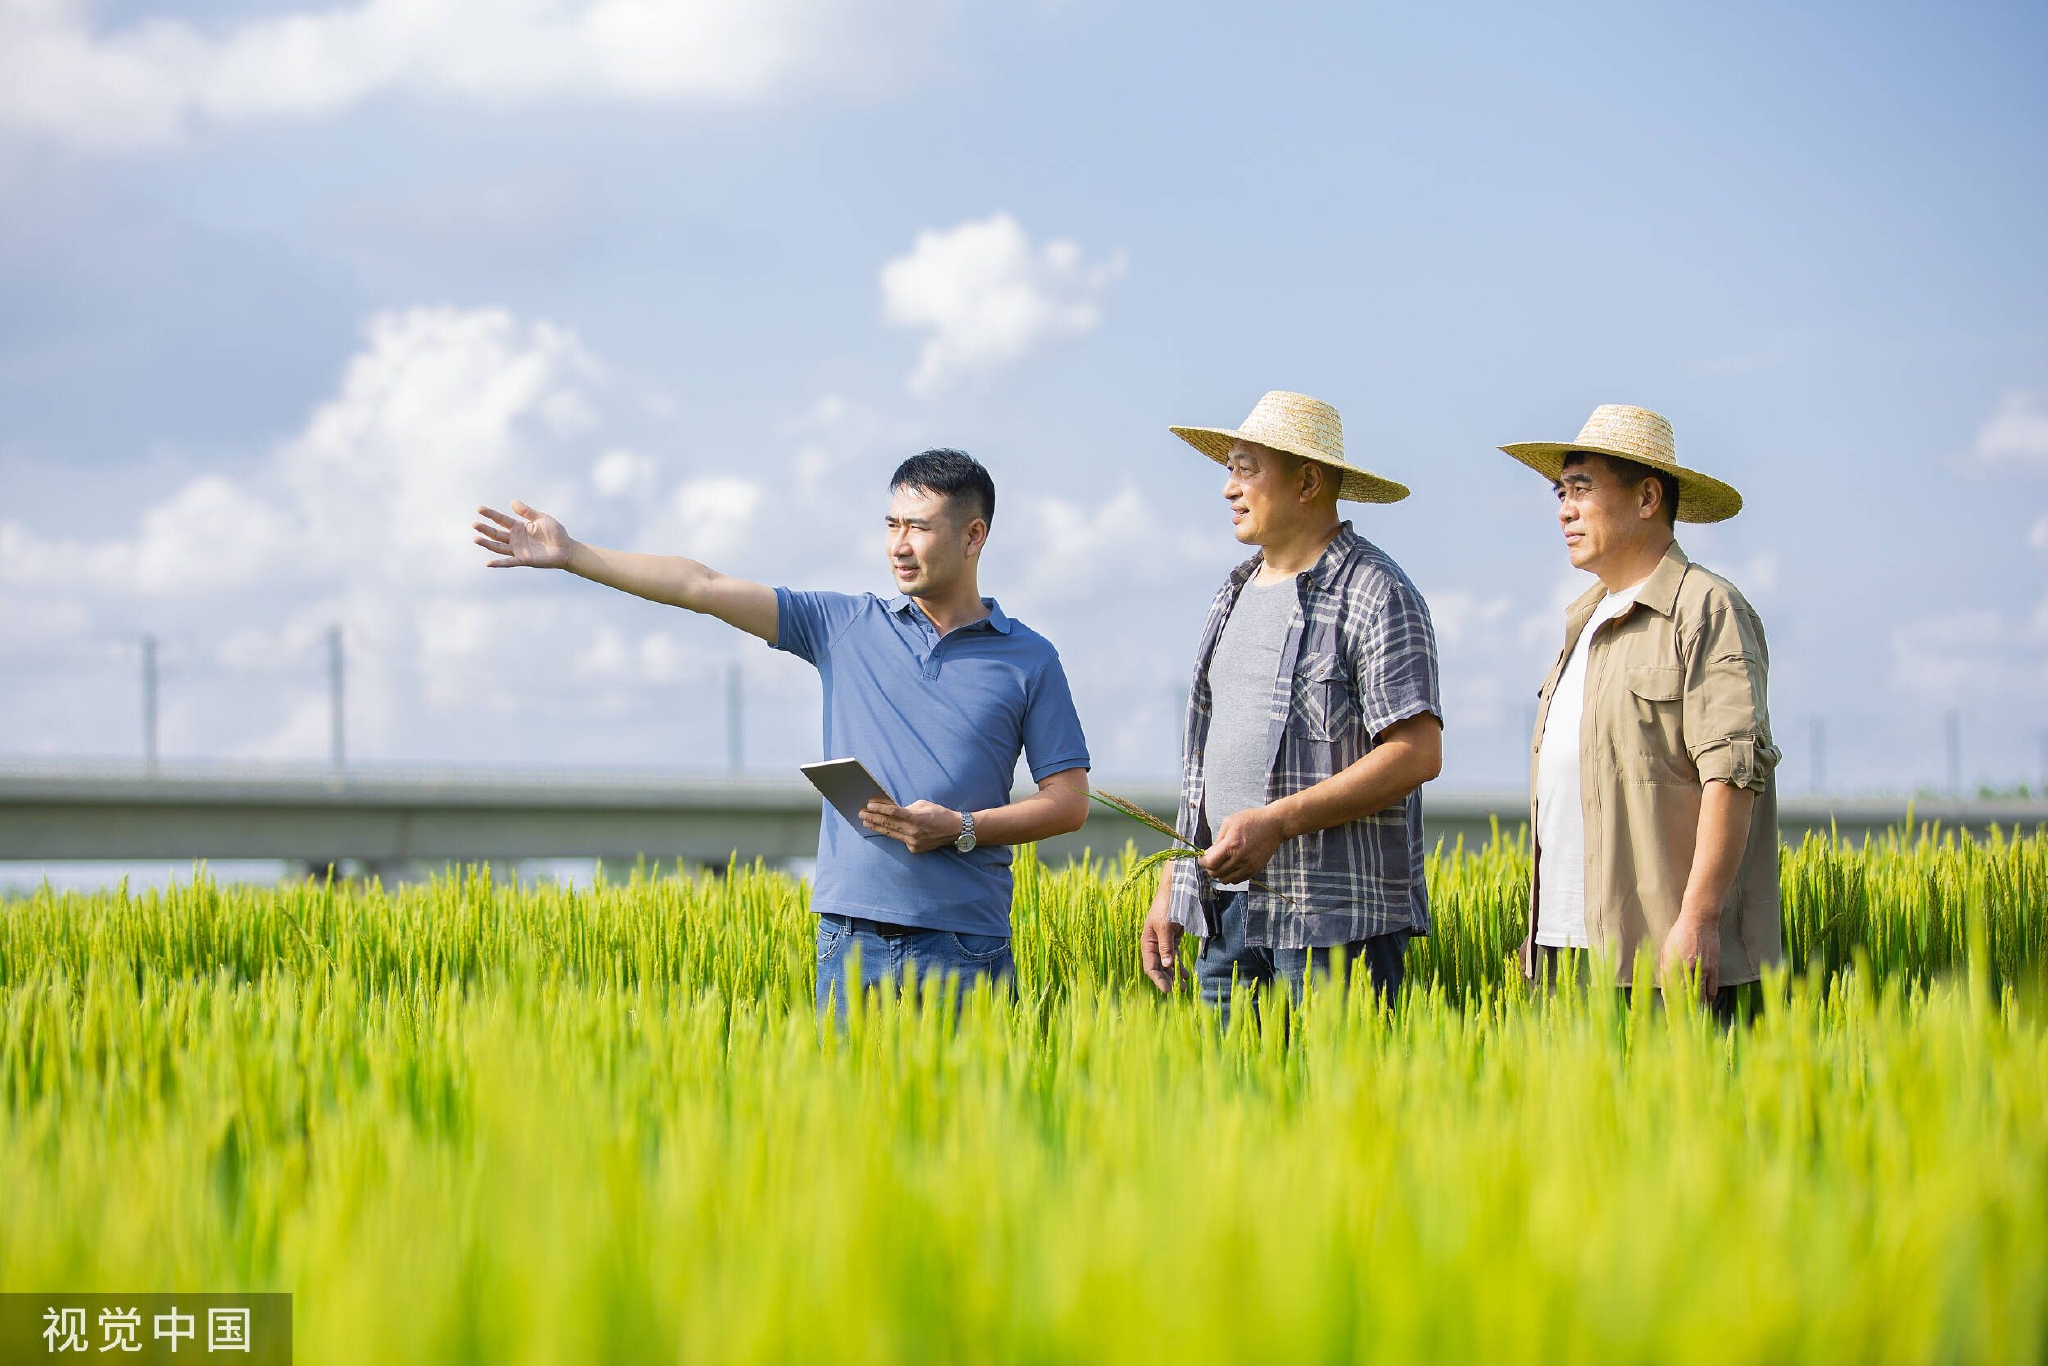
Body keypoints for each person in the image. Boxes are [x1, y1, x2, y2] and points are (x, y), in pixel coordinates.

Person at [472, 448, 1092, 1013]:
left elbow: (1068, 804)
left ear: (973, 536)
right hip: (850, 940)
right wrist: (572, 554)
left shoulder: (1029, 658)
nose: (899, 545)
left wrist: (959, 829)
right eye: (891, 525)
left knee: (973, 1133)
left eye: (920, 528)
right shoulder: (844, 624)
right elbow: (703, 586)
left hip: (965, 945)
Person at [1137, 391, 1443, 1020]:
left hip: (1333, 920)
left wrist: (1276, 822)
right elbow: (1210, 760)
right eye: (1229, 468)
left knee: (1333, 1112)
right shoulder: (1232, 592)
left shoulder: (1375, 592)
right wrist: (1177, 880)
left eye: (1246, 468)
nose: (1228, 488)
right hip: (1227, 913)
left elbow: (1416, 753)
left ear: (1307, 482)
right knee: (1237, 1112)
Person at [1498, 404, 1781, 1020]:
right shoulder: (1585, 619)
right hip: (1563, 952)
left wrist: (1700, 919)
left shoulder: (1706, 609)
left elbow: (1730, 775)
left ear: (1648, 496)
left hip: (1661, 961)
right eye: (1559, 492)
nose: (1563, 510)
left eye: (1581, 489)